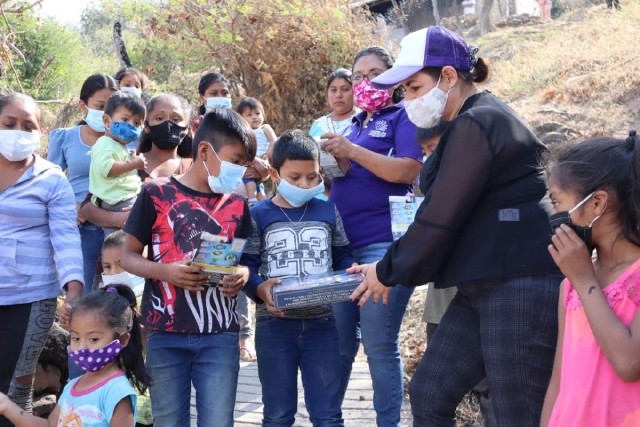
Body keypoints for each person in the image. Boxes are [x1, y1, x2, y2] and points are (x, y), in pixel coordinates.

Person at [348, 26, 563, 427]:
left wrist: (387, 269)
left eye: (413, 87)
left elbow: (441, 215)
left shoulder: (479, 122)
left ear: (448, 76)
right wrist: (390, 266)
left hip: (517, 281)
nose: (407, 100)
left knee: (517, 410)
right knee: (429, 389)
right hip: (482, 283)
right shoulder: (469, 122)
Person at [120, 108, 256, 427]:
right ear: (205, 151)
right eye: (235, 161)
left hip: (220, 336)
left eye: (244, 165)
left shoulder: (237, 204)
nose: (240, 171)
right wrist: (166, 272)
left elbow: (247, 261)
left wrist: (242, 276)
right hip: (165, 336)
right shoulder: (156, 192)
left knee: (218, 420)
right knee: (169, 421)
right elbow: (127, 255)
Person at [319, 46, 423, 425]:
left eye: (375, 73)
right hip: (344, 249)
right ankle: (328, 420)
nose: (366, 82)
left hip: (384, 245)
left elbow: (408, 171)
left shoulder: (405, 115)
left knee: (379, 345)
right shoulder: (354, 124)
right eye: (359, 75)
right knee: (341, 345)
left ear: (392, 79)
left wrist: (353, 152)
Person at [241, 130, 354, 427]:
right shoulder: (259, 215)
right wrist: (259, 289)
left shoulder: (328, 211)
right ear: (275, 176)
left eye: (313, 177)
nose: (305, 184)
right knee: (278, 414)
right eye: (295, 178)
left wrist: (351, 271)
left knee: (328, 415)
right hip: (274, 326)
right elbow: (248, 265)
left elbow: (342, 254)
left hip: (323, 325)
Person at [540, 132, 640, 427]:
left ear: (597, 203)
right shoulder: (569, 285)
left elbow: (629, 364)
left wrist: (585, 281)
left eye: (557, 202)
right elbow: (558, 382)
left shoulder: (580, 280)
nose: (554, 215)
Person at [0, 93, 84, 427]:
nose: (18, 131)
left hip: (31, 298)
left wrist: (74, 289)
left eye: (28, 125)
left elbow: (65, 237)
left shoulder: (52, 179)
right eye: (9, 124)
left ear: (40, 132)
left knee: (16, 389)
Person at [416, 125, 497, 427]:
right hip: (440, 306)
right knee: (432, 390)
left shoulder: (484, 191)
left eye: (435, 149)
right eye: (424, 153)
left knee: (492, 393)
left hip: (479, 308)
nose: (430, 159)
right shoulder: (431, 193)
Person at [0, 285, 151, 427]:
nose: (82, 347)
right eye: (75, 338)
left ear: (122, 340)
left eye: (93, 339)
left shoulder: (116, 391)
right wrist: (7, 406)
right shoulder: (72, 386)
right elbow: (49, 425)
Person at [48, 74, 118, 291]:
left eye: (111, 106)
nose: (106, 112)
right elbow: (51, 181)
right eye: (100, 105)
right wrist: (70, 209)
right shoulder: (65, 137)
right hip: (79, 226)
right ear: (83, 105)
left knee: (118, 292)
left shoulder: (124, 140)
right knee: (83, 292)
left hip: (115, 224)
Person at [100, 232, 151, 426]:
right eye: (107, 267)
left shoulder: (149, 299)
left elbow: (149, 342)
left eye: (121, 265)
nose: (113, 273)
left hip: (147, 391)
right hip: (115, 391)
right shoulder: (102, 304)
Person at [88, 91, 146, 237]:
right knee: (119, 243)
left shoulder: (117, 144)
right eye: (125, 119)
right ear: (107, 121)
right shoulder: (104, 143)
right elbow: (106, 168)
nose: (131, 126)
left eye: (137, 123)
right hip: (117, 202)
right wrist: (132, 164)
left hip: (124, 199)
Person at [236, 97, 277, 204]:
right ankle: (252, 200)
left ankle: (261, 202)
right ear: (241, 118)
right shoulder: (242, 132)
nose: (254, 117)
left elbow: (274, 141)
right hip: (248, 161)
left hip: (263, 160)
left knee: (258, 182)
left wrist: (267, 155)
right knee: (250, 179)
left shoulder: (265, 128)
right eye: (249, 115)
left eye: (257, 113)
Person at [309, 68, 360, 139]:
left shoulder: (364, 120)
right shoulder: (318, 125)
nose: (338, 95)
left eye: (345, 89)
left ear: (355, 91)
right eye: (333, 90)